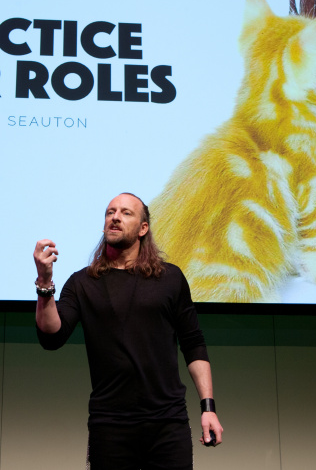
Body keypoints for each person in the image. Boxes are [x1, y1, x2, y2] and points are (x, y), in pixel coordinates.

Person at [34, 192, 223, 470]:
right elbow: (52, 336)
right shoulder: (82, 282)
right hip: (110, 425)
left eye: (125, 212)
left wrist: (208, 408)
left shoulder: (169, 278)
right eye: (110, 212)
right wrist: (44, 282)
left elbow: (193, 344)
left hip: (167, 423)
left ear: (143, 228)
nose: (115, 217)